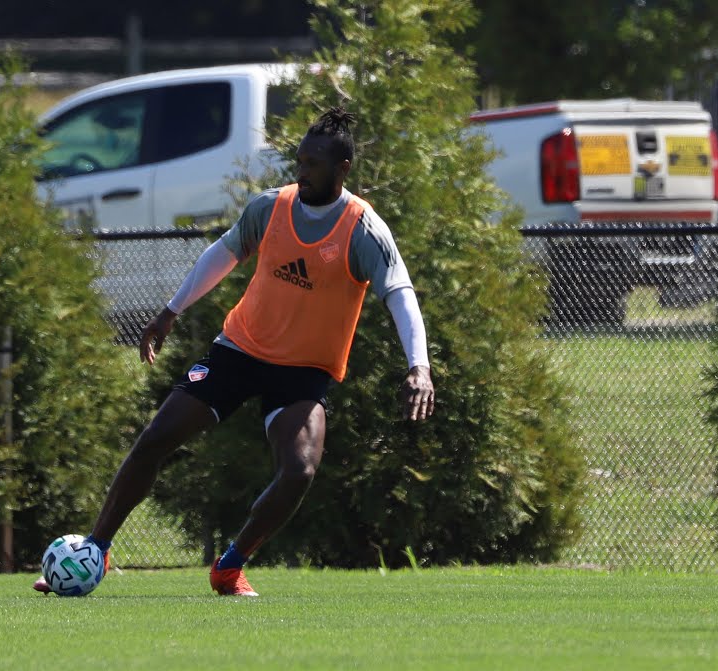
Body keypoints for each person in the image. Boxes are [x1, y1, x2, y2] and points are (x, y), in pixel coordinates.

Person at [35, 107, 436, 596]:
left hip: (303, 373)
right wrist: (170, 311)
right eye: (299, 160)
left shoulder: (362, 229)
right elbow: (223, 254)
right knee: (157, 437)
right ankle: (94, 549)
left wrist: (420, 367)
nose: (301, 171)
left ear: (343, 168)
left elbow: (400, 292)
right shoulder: (270, 208)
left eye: (312, 164)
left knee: (300, 470)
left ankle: (230, 564)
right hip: (239, 352)